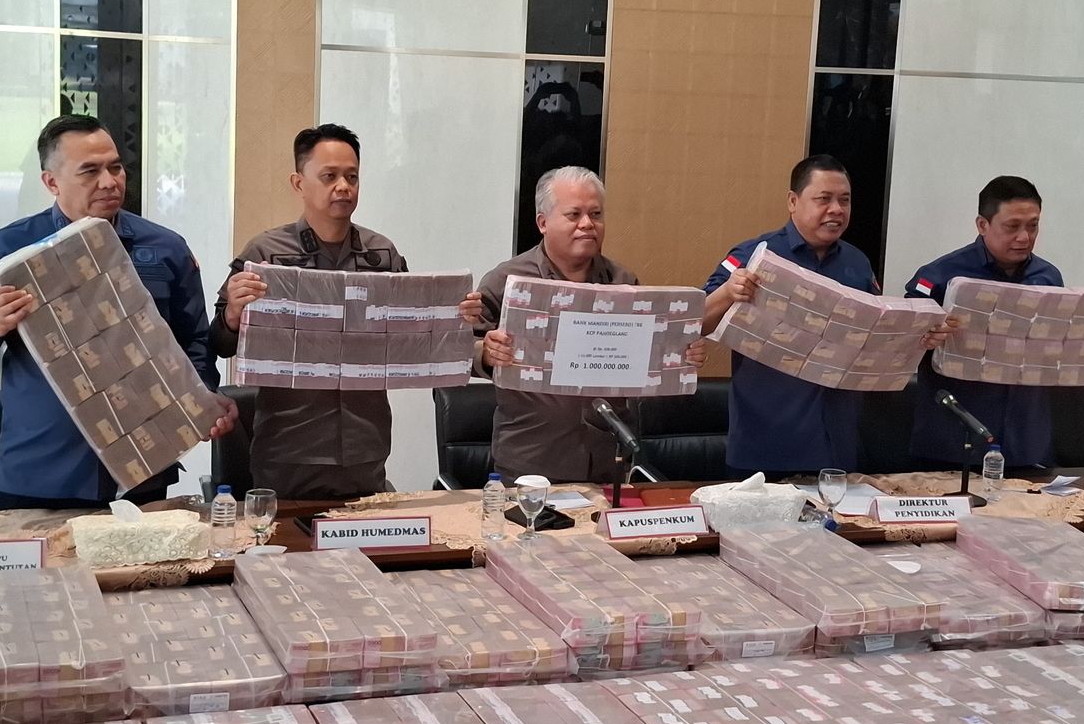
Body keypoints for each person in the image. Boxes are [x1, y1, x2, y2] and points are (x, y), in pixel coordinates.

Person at [0, 114, 235, 508]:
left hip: (143, 465)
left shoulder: (166, 248)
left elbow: (193, 341)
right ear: (51, 182)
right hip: (41, 472)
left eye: (116, 167)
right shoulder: (4, 253)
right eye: (90, 171)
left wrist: (201, 398)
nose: (110, 182)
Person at [211, 124, 483, 499]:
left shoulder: (381, 253)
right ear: (298, 183)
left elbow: (413, 341)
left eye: (351, 177)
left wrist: (454, 319)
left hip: (365, 445)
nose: (343, 186)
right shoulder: (266, 254)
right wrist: (232, 314)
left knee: (361, 533)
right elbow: (219, 342)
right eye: (330, 176)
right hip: (289, 446)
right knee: (287, 536)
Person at [702, 154, 940, 477]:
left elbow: (874, 336)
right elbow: (695, 323)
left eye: (845, 200)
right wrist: (728, 292)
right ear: (793, 201)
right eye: (824, 199)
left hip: (837, 443)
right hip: (765, 443)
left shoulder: (857, 263)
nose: (837, 209)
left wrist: (919, 337)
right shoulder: (753, 254)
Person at [476, 165, 707, 484]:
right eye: (574, 215)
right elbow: (460, 347)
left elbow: (648, 356)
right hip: (532, 456)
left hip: (606, 456)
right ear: (543, 223)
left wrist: (683, 354)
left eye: (596, 214)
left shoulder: (623, 282)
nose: (587, 224)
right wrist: (485, 352)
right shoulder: (509, 281)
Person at [905, 176, 1084, 468]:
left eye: (1033, 226)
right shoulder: (940, 276)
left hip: (1027, 439)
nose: (1024, 237)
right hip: (955, 440)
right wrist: (925, 335)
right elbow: (900, 345)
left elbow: (1064, 348)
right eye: (1012, 226)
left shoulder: (1048, 277)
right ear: (982, 225)